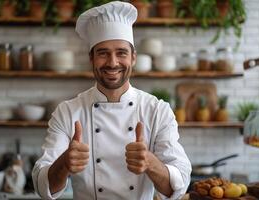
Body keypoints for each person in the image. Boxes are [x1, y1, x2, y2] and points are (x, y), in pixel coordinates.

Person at [32, 1, 191, 200]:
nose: (113, 62)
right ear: (91, 58)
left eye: (121, 52)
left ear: (133, 57)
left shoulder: (157, 111)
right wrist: (63, 164)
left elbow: (179, 186)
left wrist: (151, 163)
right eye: (103, 53)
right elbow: (41, 185)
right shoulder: (67, 112)